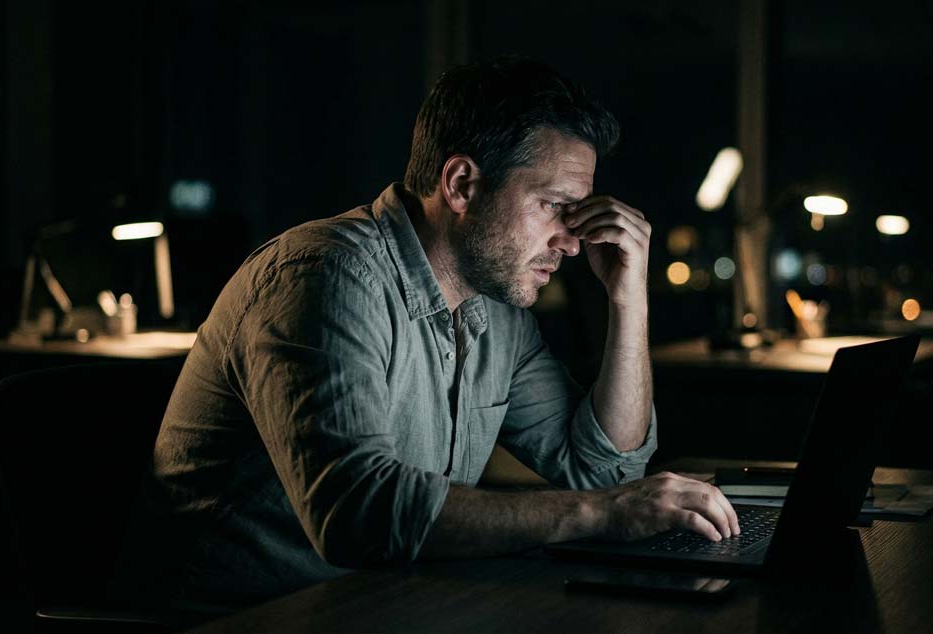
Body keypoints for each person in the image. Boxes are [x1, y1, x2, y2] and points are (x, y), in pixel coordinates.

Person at [142, 56, 740, 613]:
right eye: (554, 205)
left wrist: (628, 300)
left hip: (382, 607)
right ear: (460, 184)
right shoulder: (324, 275)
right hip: (245, 620)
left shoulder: (497, 310)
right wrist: (597, 513)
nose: (573, 240)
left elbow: (607, 473)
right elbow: (357, 515)